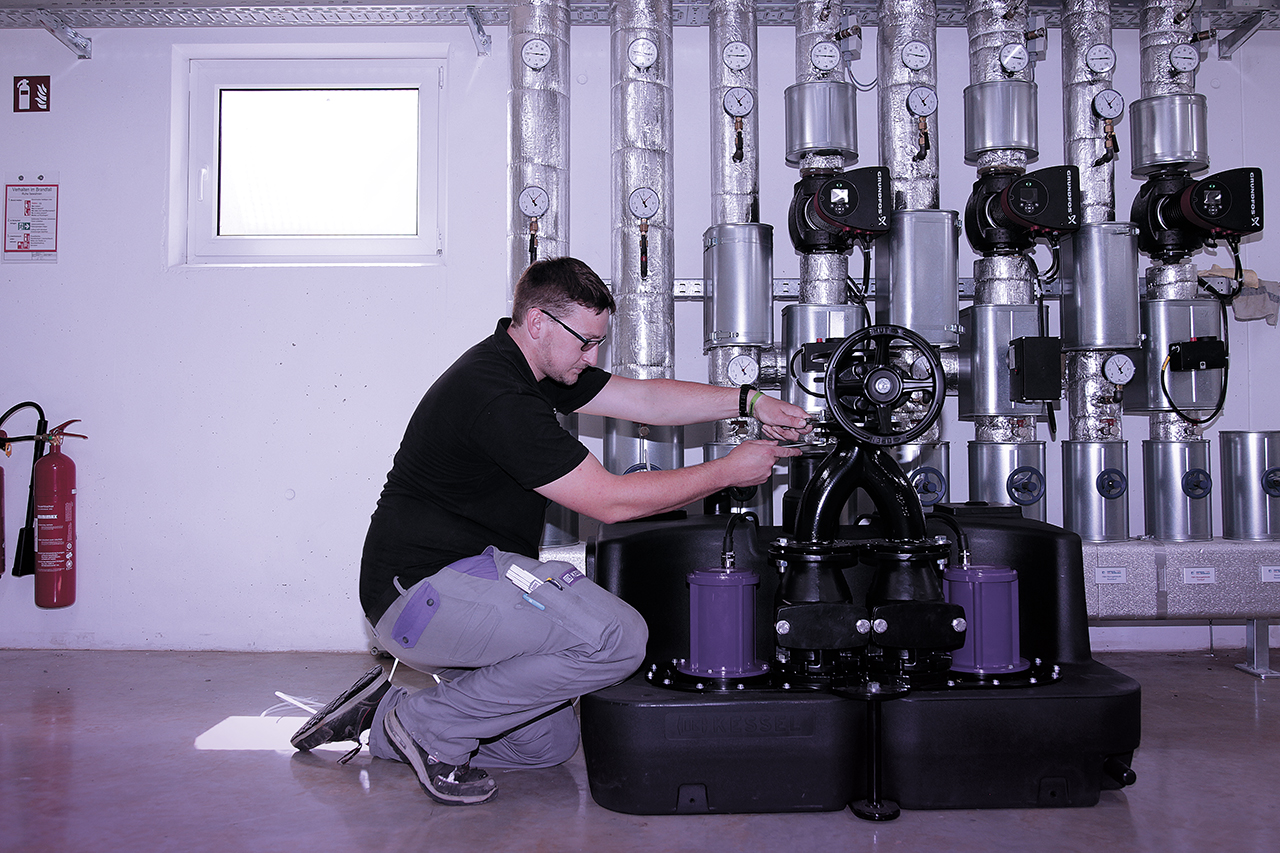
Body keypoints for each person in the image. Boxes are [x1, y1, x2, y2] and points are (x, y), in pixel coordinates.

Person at [292, 257, 810, 805]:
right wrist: (728, 471)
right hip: (427, 593)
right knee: (618, 638)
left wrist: (750, 401)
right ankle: (429, 725)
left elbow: (644, 400)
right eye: (585, 343)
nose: (592, 357)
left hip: (461, 587)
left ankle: (389, 715)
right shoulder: (497, 395)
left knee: (547, 744)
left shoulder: (532, 369)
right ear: (537, 322)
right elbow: (609, 501)